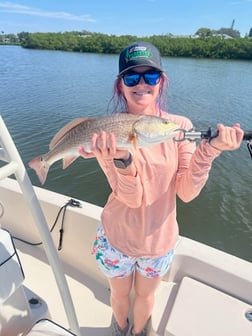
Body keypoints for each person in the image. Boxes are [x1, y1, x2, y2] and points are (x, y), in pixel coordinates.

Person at [78, 41, 244, 336]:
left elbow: (186, 192)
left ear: (161, 82)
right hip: (116, 237)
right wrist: (123, 159)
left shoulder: (178, 126)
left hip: (159, 242)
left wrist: (210, 150)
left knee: (145, 296)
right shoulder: (109, 132)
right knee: (118, 296)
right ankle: (120, 327)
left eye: (150, 76)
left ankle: (140, 331)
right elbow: (130, 197)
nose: (141, 84)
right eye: (132, 77)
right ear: (121, 86)